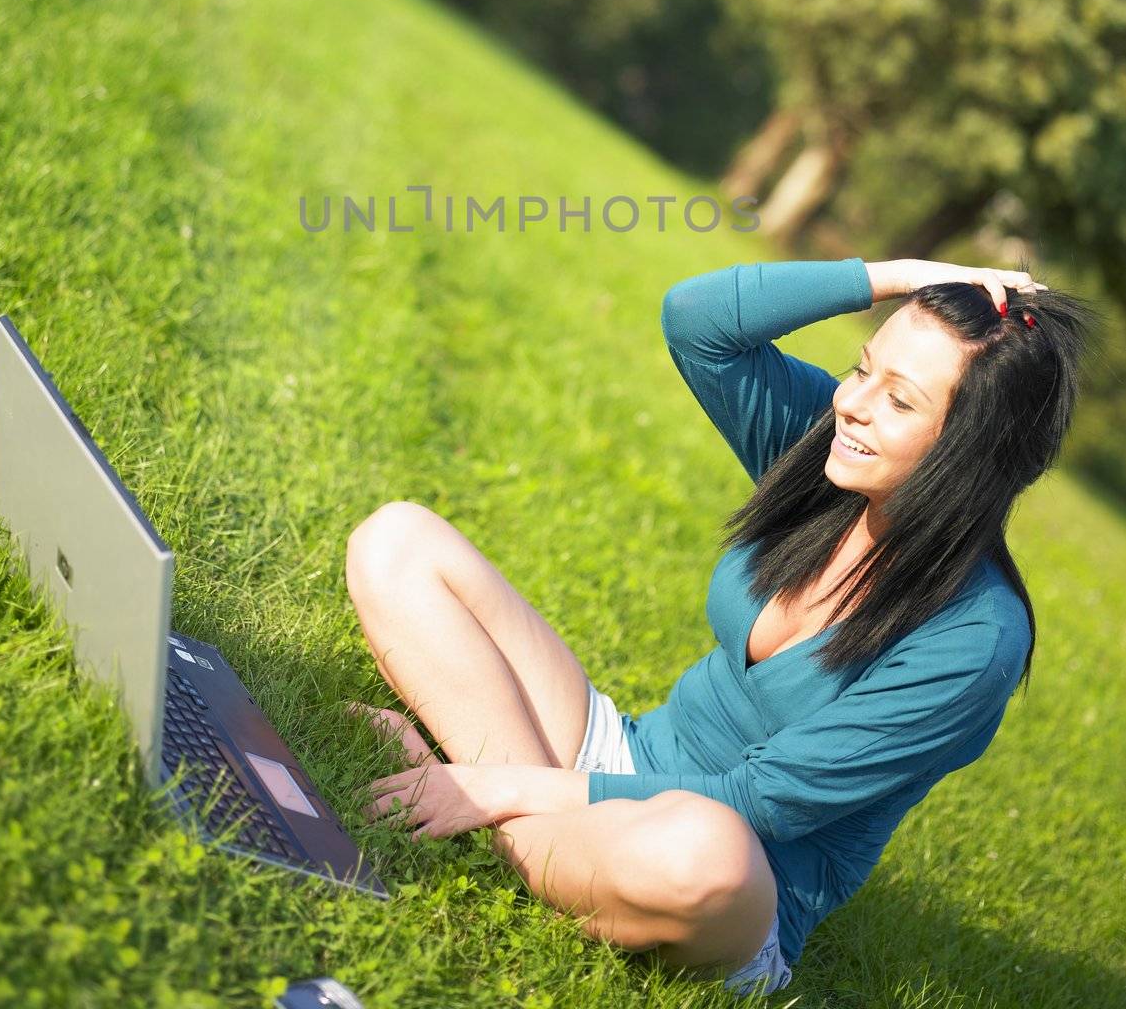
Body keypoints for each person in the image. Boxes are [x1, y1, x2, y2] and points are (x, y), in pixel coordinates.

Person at [344, 256, 1097, 996]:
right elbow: (697, 323)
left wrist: (494, 778)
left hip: (725, 869)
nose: (853, 404)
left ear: (970, 450)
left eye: (899, 400)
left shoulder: (974, 639)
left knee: (702, 854)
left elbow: (758, 802)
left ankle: (485, 803)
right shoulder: (829, 454)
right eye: (862, 369)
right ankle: (511, 812)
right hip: (611, 758)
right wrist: (901, 276)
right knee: (398, 541)